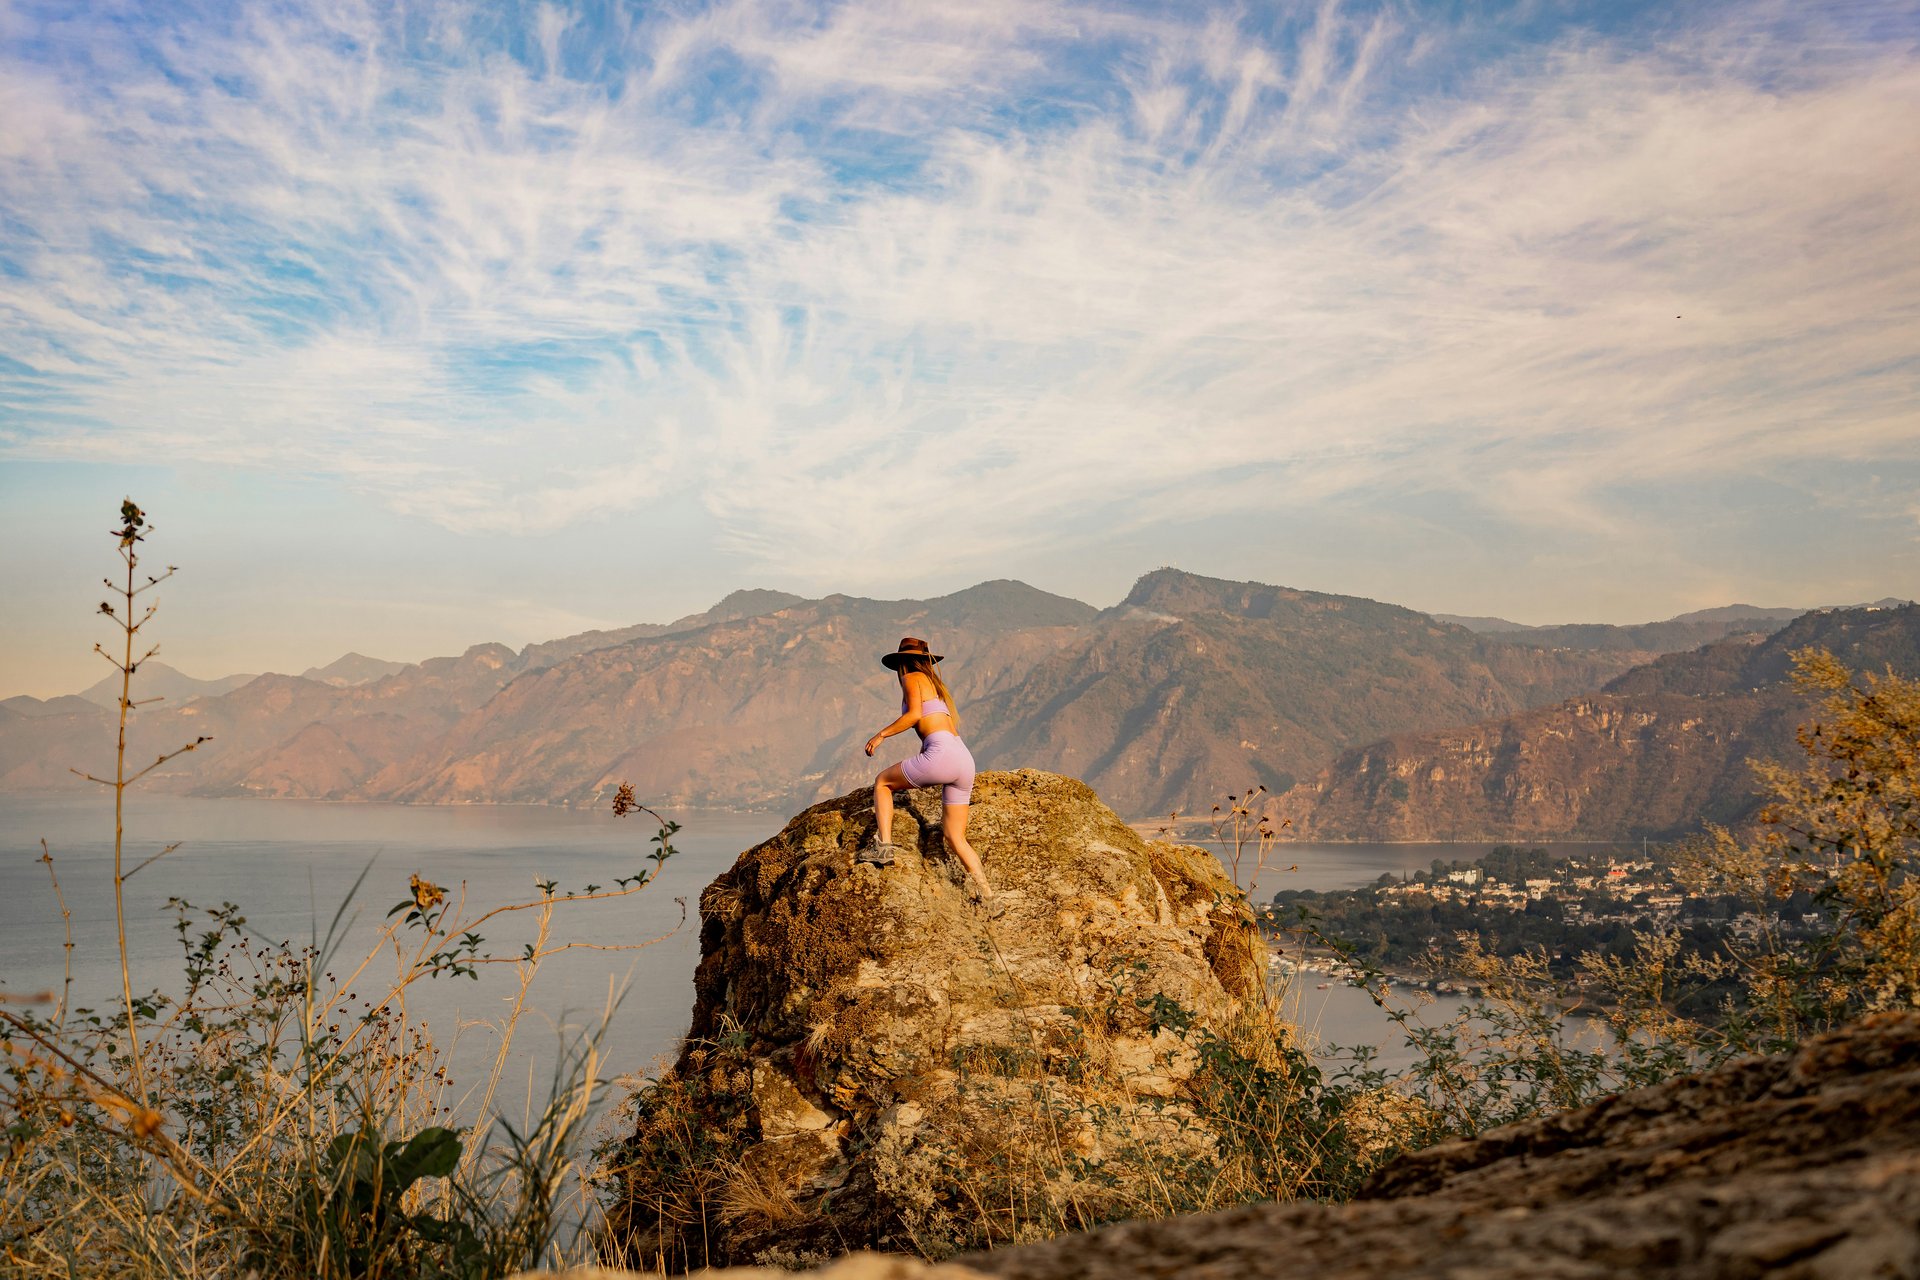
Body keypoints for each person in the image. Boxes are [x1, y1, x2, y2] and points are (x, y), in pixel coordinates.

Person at [860, 636, 995, 906]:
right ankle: (989, 898)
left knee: (883, 783)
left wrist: (881, 735)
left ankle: (884, 847)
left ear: (902, 663)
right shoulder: (936, 686)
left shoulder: (911, 679)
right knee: (955, 836)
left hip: (942, 754)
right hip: (964, 760)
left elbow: (913, 717)